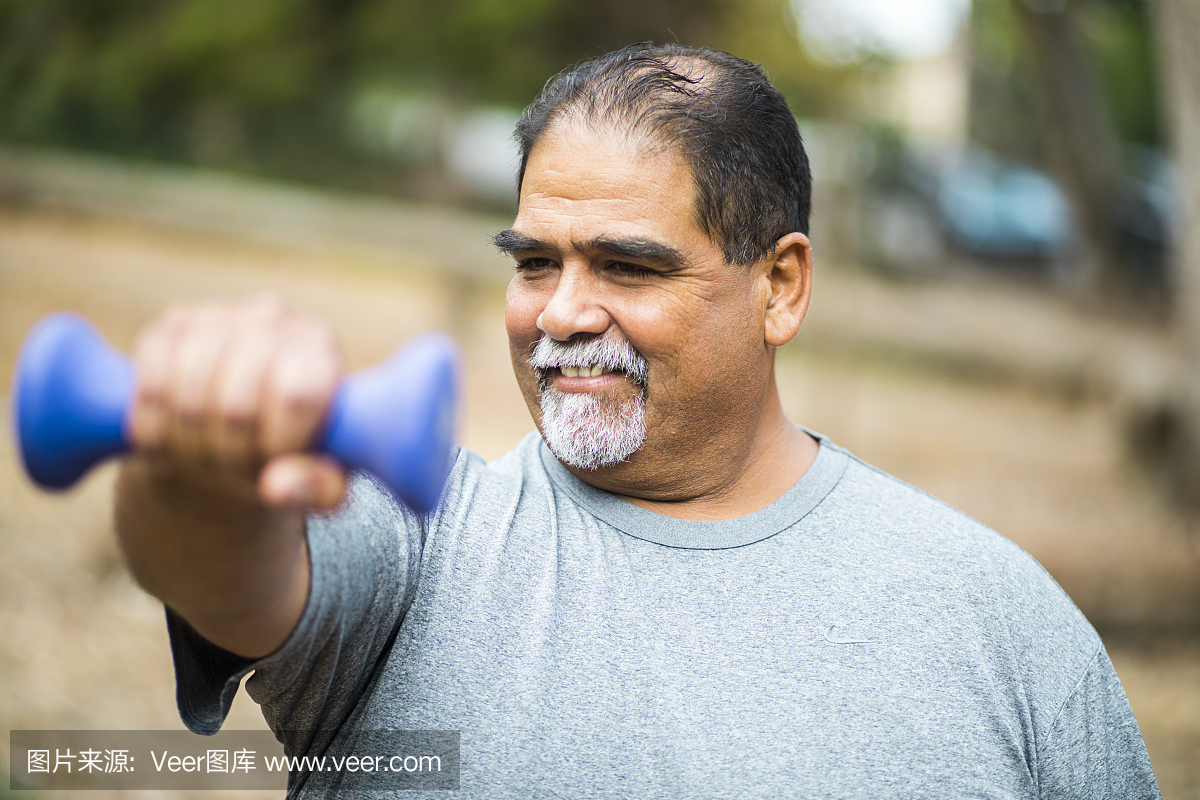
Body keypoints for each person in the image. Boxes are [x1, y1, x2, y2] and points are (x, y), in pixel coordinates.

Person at [114, 44, 1161, 798]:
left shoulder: (1003, 622)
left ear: (781, 287)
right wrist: (191, 463)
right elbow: (218, 565)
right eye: (535, 262)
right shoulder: (419, 541)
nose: (561, 312)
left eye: (627, 264)